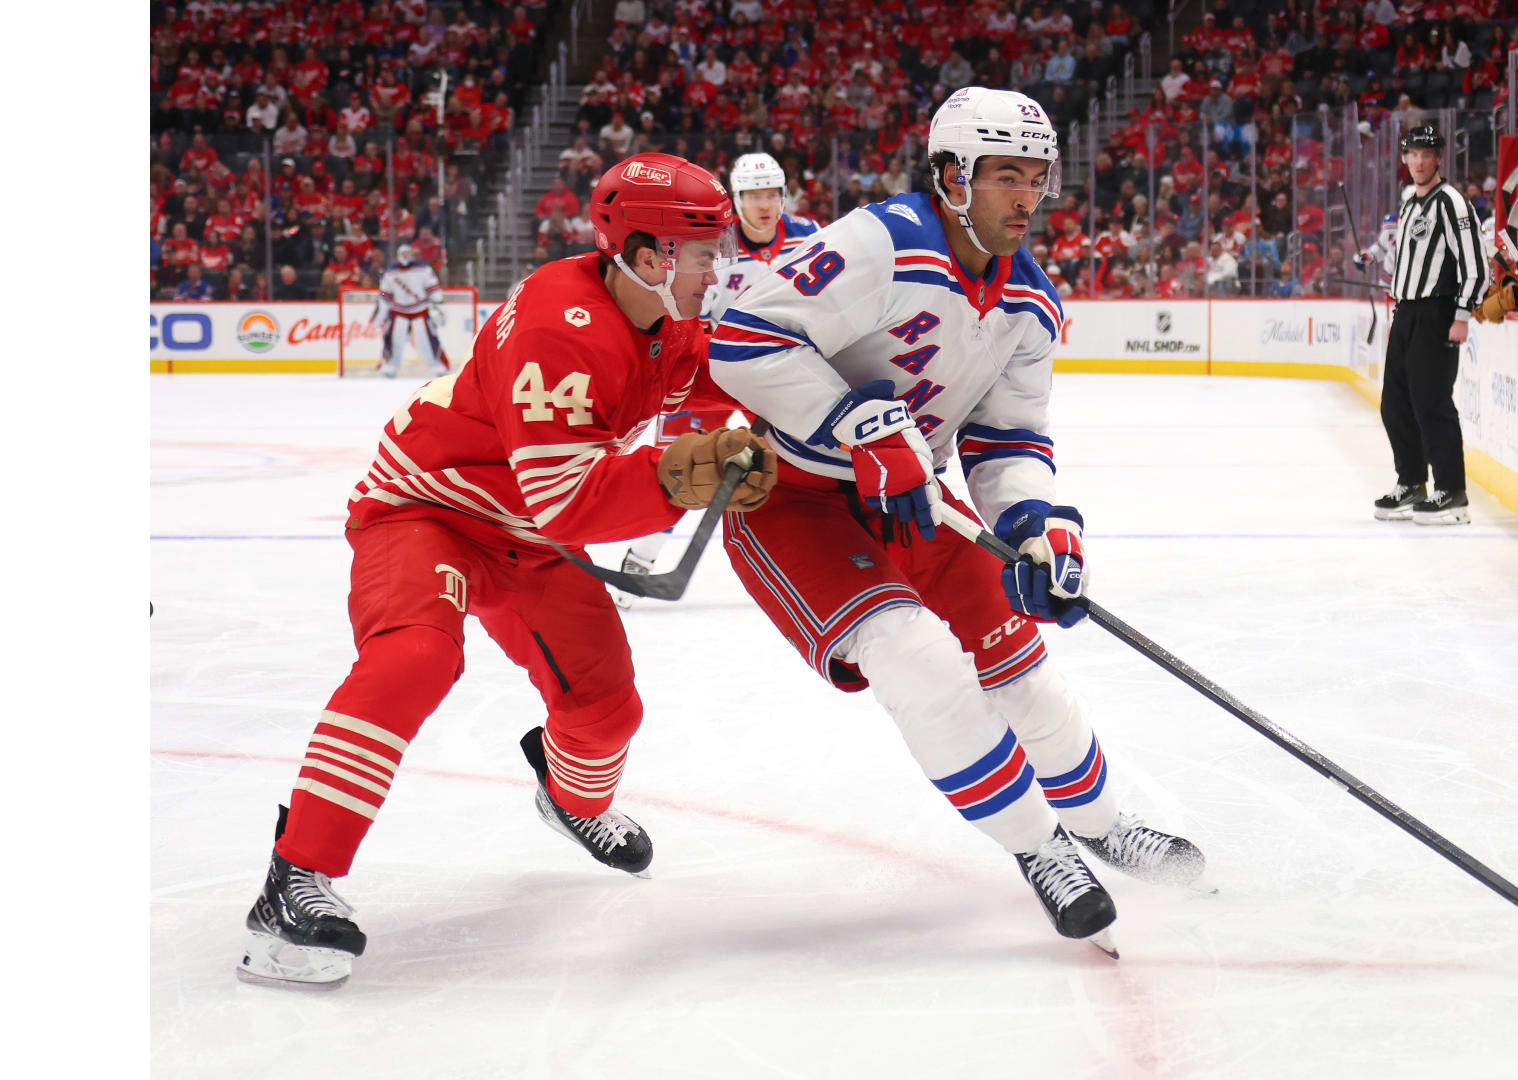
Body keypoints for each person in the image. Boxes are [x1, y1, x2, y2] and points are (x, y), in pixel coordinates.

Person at [237, 152, 778, 989]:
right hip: (430, 509)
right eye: (706, 253)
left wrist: (800, 400)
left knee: (607, 708)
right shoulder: (563, 327)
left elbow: (709, 376)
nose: (720, 270)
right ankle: (296, 876)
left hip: (526, 527)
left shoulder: (655, 311)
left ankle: (571, 799)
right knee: (415, 656)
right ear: (649, 257)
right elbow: (567, 502)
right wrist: (683, 473)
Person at [707, 87, 1208, 955]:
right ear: (951, 176)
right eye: (1006, 175)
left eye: (1037, 177)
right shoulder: (882, 242)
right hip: (797, 500)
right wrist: (858, 425)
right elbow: (743, 340)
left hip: (916, 502)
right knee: (921, 662)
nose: (1027, 196)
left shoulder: (1033, 303)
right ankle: (1041, 847)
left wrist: (1037, 525)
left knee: (1023, 668)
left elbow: (1008, 438)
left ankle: (1102, 824)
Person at [605, 152, 823, 599]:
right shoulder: (712, 242)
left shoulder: (810, 236)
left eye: (772, 194)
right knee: (682, 469)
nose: (765, 204)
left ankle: (822, 558)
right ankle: (641, 560)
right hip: (712, 369)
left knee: (803, 465)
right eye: (753, 195)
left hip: (776, 371)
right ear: (737, 199)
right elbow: (688, 314)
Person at [1373, 124, 1487, 526]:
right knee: (1394, 403)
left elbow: (1476, 265)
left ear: (1439, 157)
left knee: (1432, 402)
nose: (1419, 162)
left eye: (1426, 154)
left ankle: (1452, 491)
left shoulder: (1452, 202)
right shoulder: (1409, 204)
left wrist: (1462, 315)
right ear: (1405, 159)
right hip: (1406, 314)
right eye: (1412, 155)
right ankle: (1411, 482)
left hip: (1437, 313)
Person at [368, 244, 450, 376]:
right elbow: (384, 295)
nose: (405, 256)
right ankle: (390, 365)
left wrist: (437, 306)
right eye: (403, 254)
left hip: (420, 310)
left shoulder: (424, 270)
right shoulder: (390, 273)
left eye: (408, 254)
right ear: (398, 256)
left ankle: (438, 365)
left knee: (428, 340)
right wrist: (380, 314)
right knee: (393, 340)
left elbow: (434, 289)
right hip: (398, 310)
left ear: (412, 255)